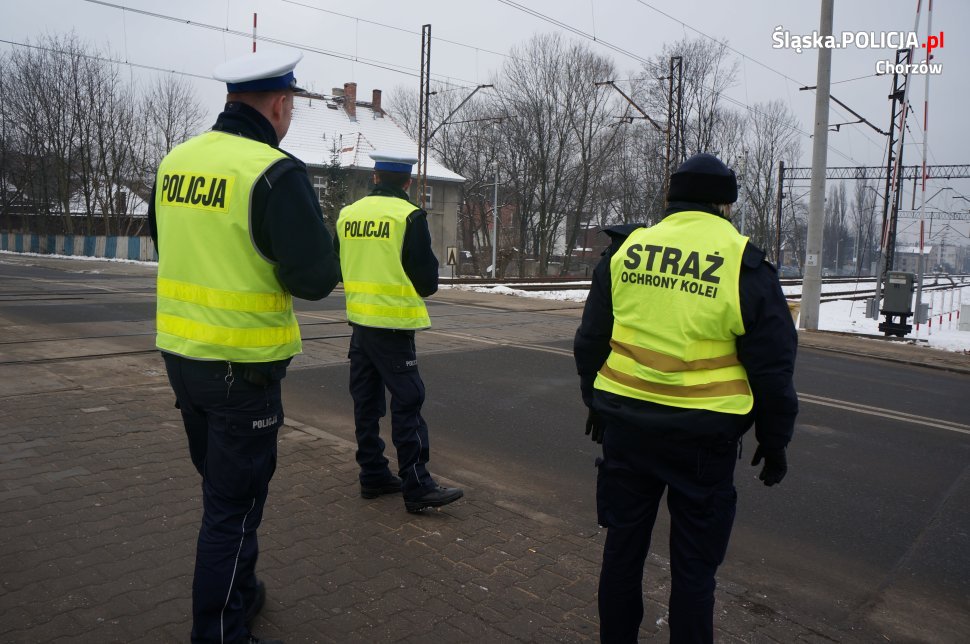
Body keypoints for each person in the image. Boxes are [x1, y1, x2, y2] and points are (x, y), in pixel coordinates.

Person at [149, 49, 341, 644]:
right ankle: (220, 632)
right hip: (242, 372)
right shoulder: (274, 172)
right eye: (292, 109)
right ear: (281, 105)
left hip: (183, 358)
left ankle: (244, 592)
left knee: (228, 493)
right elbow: (312, 279)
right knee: (230, 512)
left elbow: (169, 243)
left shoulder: (175, 162)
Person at [573, 153, 798, 643]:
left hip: (627, 431)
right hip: (702, 441)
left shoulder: (627, 250)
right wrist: (775, 439)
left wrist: (596, 401)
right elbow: (774, 370)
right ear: (725, 205)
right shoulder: (744, 263)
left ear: (669, 198)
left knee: (622, 553)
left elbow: (591, 339)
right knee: (694, 572)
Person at [334, 151, 463, 514]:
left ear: (375, 177)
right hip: (393, 327)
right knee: (407, 402)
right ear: (408, 182)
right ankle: (417, 484)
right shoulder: (409, 216)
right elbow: (427, 282)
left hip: (360, 324)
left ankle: (373, 473)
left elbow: (337, 265)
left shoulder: (348, 214)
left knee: (366, 402)